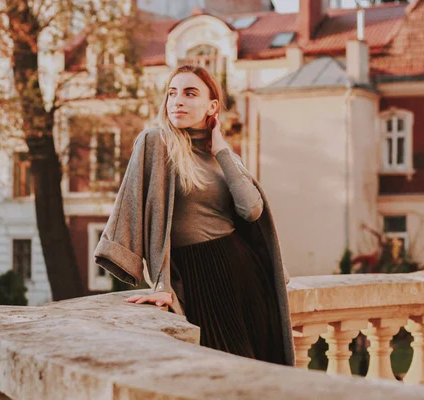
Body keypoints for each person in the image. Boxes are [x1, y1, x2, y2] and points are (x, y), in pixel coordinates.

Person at [94, 65, 294, 366]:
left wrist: (222, 149)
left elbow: (251, 210)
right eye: (172, 93)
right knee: (223, 368)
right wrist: (161, 283)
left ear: (212, 106)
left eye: (190, 93)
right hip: (198, 274)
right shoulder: (156, 142)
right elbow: (139, 207)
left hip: (243, 272)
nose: (178, 101)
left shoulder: (223, 156)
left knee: (255, 368)